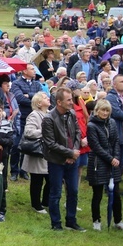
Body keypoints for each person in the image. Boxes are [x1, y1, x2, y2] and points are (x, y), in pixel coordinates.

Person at [42, 87, 85, 232]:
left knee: (73, 191)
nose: (71, 102)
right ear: (59, 102)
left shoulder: (71, 114)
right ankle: (56, 223)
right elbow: (50, 143)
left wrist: (74, 153)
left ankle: (71, 221)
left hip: (72, 159)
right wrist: (69, 153)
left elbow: (78, 133)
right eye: (68, 100)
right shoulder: (48, 119)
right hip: (56, 161)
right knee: (56, 192)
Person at [86, 99, 123, 231]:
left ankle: (118, 220)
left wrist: (116, 157)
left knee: (116, 193)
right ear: (97, 110)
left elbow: (116, 141)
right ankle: (96, 220)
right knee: (97, 194)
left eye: (107, 110)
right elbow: (96, 146)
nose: (105, 113)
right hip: (98, 162)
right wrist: (111, 158)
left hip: (112, 162)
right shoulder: (91, 126)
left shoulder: (111, 123)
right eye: (103, 110)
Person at [22, 92, 51, 213]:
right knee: (37, 180)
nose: (48, 98)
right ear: (39, 103)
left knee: (50, 179)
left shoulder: (50, 114)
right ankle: (36, 205)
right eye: (45, 98)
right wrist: (45, 132)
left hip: (49, 152)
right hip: (38, 152)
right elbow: (28, 132)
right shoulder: (34, 115)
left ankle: (46, 202)